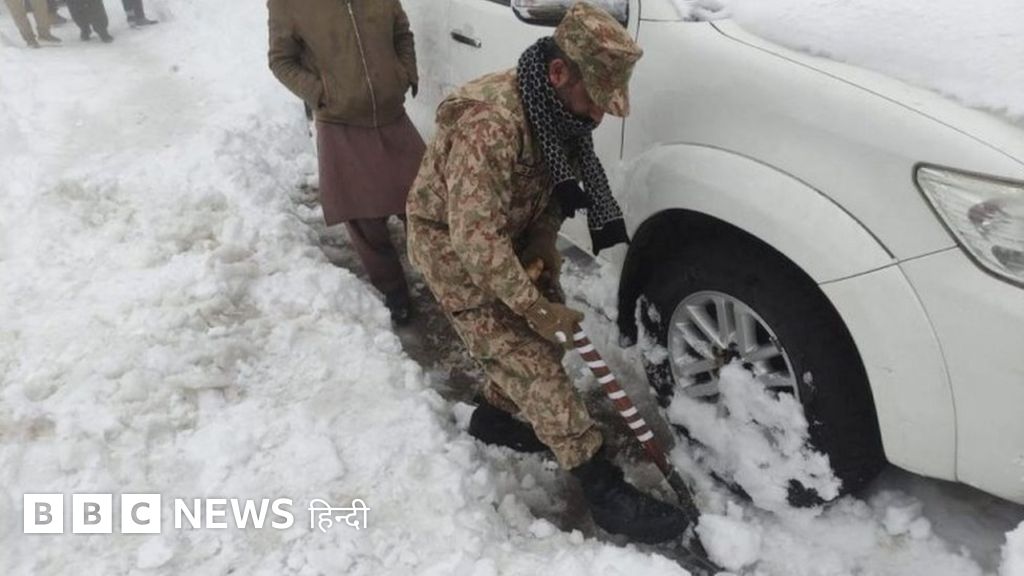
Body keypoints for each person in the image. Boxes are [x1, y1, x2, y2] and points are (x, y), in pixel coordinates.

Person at [406, 1, 690, 544]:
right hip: (454, 249)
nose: (599, 116)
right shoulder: (490, 124)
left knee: (544, 342)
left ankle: (495, 418)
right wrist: (533, 304)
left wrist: (542, 242)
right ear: (559, 73)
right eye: (594, 99)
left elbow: (547, 189)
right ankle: (603, 488)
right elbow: (473, 236)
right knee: (535, 364)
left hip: (507, 237)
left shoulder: (557, 112)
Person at [268, 0, 424, 324]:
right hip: (341, 121)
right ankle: (394, 290)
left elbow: (401, 32)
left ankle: (443, 274)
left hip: (392, 114)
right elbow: (281, 60)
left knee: (424, 200)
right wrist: (322, 93)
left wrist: (405, 73)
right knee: (365, 216)